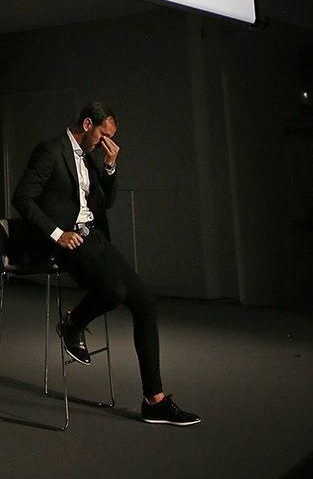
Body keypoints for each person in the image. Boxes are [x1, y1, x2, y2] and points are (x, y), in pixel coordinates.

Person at [12, 101, 201, 426]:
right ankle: (72, 324)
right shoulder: (50, 151)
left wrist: (110, 167)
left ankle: (154, 400)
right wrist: (58, 234)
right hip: (65, 241)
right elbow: (22, 198)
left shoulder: (90, 157)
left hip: (94, 238)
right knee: (113, 291)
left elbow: (106, 203)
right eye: (104, 135)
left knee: (145, 303)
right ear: (88, 125)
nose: (106, 143)